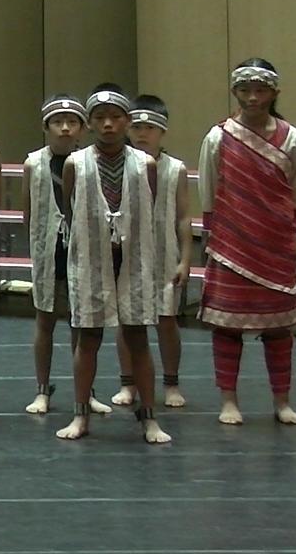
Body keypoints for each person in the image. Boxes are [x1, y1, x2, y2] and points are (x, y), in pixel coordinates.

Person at [53, 87, 171, 445]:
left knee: (138, 336)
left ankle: (149, 416)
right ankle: (80, 413)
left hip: (133, 258)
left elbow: (148, 207)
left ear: (127, 121)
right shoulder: (76, 164)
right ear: (89, 123)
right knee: (88, 337)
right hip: (92, 257)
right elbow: (71, 210)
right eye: (100, 117)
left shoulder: (145, 164)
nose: (108, 124)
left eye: (116, 117)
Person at [198, 58, 296, 426]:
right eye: (245, 90)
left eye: (260, 90)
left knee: (279, 328)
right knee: (228, 325)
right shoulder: (219, 136)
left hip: (275, 240)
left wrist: (291, 226)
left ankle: (282, 401)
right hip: (232, 241)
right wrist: (214, 227)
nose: (252, 98)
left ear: (274, 93)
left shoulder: (292, 138)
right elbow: (209, 186)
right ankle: (228, 400)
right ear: (235, 92)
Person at [21, 96, 111, 416]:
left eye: (72, 122)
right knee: (44, 320)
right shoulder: (33, 163)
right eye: (57, 122)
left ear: (82, 129)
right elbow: (28, 212)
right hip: (48, 249)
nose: (64, 128)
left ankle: (86, 392)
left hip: (82, 248)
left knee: (81, 323)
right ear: (46, 127)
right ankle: (42, 389)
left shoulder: (91, 162)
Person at [115, 94, 191, 410]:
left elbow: (183, 217)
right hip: (128, 254)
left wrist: (186, 259)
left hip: (164, 254)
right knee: (127, 322)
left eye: (150, 128)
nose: (143, 133)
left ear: (162, 131)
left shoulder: (175, 170)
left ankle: (171, 382)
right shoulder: (119, 165)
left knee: (166, 320)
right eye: (137, 127)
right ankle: (128, 382)